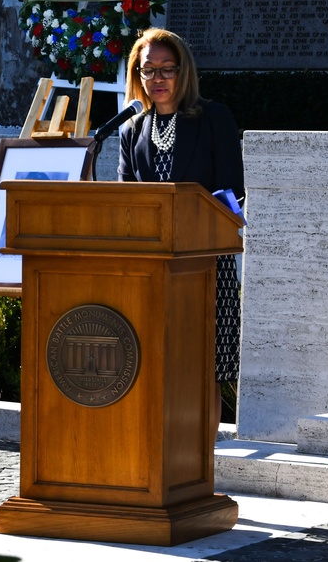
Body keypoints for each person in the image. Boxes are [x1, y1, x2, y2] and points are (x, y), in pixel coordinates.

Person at [117, 28, 245, 392]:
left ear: (182, 72)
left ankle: (206, 445)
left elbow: (232, 190)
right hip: (151, 268)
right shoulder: (132, 130)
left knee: (207, 372)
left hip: (205, 263)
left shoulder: (213, 118)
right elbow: (127, 200)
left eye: (166, 69)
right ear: (137, 75)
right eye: (148, 70)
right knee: (155, 368)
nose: (157, 78)